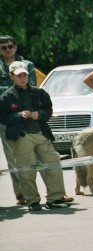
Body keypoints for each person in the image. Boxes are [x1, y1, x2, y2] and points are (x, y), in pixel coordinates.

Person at [0, 61, 71, 211]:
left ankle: (55, 198)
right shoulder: (6, 97)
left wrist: (40, 115)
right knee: (26, 169)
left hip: (40, 132)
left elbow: (48, 110)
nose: (22, 78)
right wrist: (19, 115)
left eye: (24, 74)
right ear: (12, 76)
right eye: (19, 75)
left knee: (53, 163)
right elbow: (3, 117)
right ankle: (32, 201)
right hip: (22, 136)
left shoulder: (39, 92)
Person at [1, 35, 37, 205]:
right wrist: (15, 85)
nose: (7, 49)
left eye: (10, 46)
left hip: (26, 114)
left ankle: (52, 192)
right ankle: (20, 193)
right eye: (3, 47)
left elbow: (31, 86)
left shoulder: (28, 65)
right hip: (5, 115)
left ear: (15, 47)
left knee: (36, 153)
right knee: (12, 157)